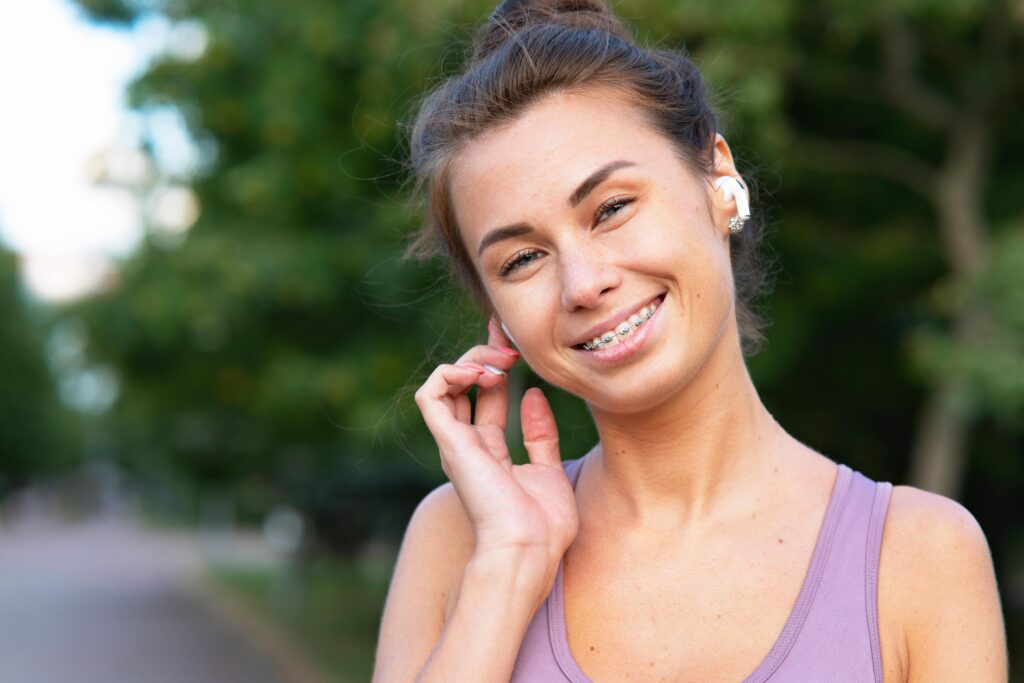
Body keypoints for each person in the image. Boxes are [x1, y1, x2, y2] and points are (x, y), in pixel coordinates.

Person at [372, 1, 1008, 681]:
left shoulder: (921, 556)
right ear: (495, 311)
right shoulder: (461, 540)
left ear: (717, 181)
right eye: (522, 259)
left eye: (612, 208)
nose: (582, 284)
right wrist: (509, 562)